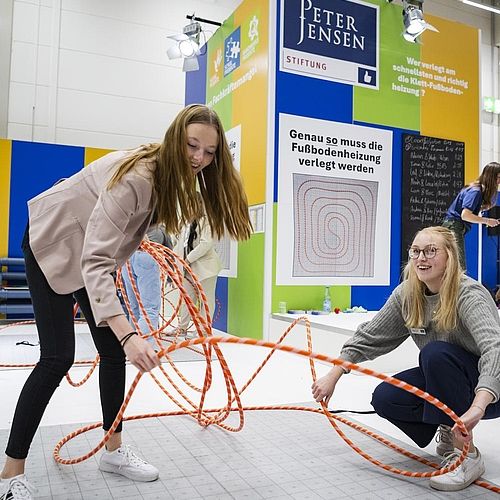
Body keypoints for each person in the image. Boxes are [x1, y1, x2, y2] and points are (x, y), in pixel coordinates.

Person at [0, 104, 252, 499]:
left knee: (113, 351)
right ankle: (10, 473)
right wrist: (129, 332)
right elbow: (95, 259)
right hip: (52, 241)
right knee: (57, 357)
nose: (199, 158)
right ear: (175, 138)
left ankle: (113, 452)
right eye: (192, 145)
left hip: (88, 248)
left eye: (209, 151)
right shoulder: (139, 177)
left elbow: (107, 246)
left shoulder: (172, 174)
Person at [312, 226, 500, 492]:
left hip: (491, 391)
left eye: (431, 251)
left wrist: (479, 406)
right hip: (450, 378)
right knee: (386, 397)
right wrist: (334, 374)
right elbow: (372, 335)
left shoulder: (468, 294)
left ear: (450, 256)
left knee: (434, 353)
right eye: (416, 251)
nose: (421, 258)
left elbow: (495, 349)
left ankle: (467, 455)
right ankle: (448, 430)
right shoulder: (408, 294)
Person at [172, 200, 223, 337]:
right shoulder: (184, 224)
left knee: (206, 300)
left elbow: (205, 244)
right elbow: (179, 246)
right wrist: (176, 265)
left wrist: (187, 260)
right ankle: (182, 328)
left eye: (189, 204)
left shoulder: (207, 222)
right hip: (188, 269)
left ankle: (203, 330)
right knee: (186, 298)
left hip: (206, 268)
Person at [121, 225, 172, 348]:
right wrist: (171, 274)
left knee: (133, 307)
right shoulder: (159, 227)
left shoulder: (131, 222)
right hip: (147, 257)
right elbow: (168, 250)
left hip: (127, 259)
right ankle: (145, 346)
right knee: (150, 308)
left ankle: (133, 344)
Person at [442, 162, 500, 269]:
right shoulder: (475, 191)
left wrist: (482, 208)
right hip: (454, 226)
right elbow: (465, 215)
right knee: (459, 266)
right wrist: (487, 221)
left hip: (453, 226)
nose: (499, 181)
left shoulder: (475, 189)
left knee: (453, 265)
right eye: (498, 177)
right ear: (491, 177)